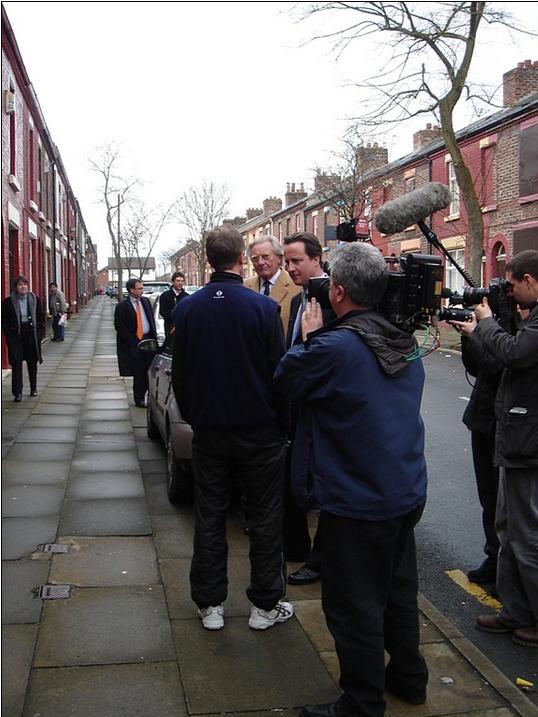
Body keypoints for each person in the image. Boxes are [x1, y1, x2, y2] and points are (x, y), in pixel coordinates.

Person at [274, 242, 429, 717]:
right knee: (398, 592)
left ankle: (361, 704)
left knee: (353, 604)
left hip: (358, 499)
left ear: (338, 290)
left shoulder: (333, 346)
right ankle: (409, 679)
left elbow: (286, 382)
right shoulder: (404, 338)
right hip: (404, 489)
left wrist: (307, 337)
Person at [171, 225, 293, 632]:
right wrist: (280, 423)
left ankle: (210, 606)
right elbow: (278, 374)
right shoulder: (261, 309)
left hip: (211, 433)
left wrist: (197, 416)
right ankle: (264, 605)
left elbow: (182, 377)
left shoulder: (187, 309)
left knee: (209, 517)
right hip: (260, 433)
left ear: (208, 260)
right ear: (241, 257)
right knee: (265, 518)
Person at [451, 249, 538, 648]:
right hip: (513, 437)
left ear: (530, 281)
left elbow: (514, 354)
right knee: (505, 527)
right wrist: (476, 334)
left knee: (525, 535)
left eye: (512, 283)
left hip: (528, 443)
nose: (509, 291)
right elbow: (493, 363)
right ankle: (515, 612)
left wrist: (485, 324)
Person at [282, 232, 335, 585]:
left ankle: (320, 560)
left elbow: (326, 356)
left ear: (316, 259)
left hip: (322, 410)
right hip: (298, 405)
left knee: (323, 486)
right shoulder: (302, 297)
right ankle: (298, 548)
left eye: (295, 260)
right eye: (287, 261)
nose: (290, 267)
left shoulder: (330, 298)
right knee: (294, 480)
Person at [114, 278, 157, 408]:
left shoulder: (145, 301)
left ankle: (151, 396)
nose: (142, 291)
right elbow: (120, 326)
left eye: (142, 288)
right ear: (131, 290)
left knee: (150, 370)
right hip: (134, 343)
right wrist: (133, 342)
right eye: (139, 288)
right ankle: (139, 398)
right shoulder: (122, 306)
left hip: (148, 340)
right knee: (139, 372)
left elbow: (150, 319)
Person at [2, 276, 45, 401]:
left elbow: (41, 318)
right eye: (20, 285)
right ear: (15, 287)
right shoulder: (8, 302)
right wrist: (9, 334)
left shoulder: (35, 299)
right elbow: (4, 320)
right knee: (16, 365)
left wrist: (40, 334)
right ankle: (18, 393)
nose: (23, 287)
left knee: (32, 364)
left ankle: (33, 389)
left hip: (31, 335)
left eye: (25, 284)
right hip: (16, 337)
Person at [244, 236, 301, 332]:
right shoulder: (244, 286)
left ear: (279, 258)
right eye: (255, 259)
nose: (260, 262)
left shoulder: (296, 287)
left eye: (265, 257)